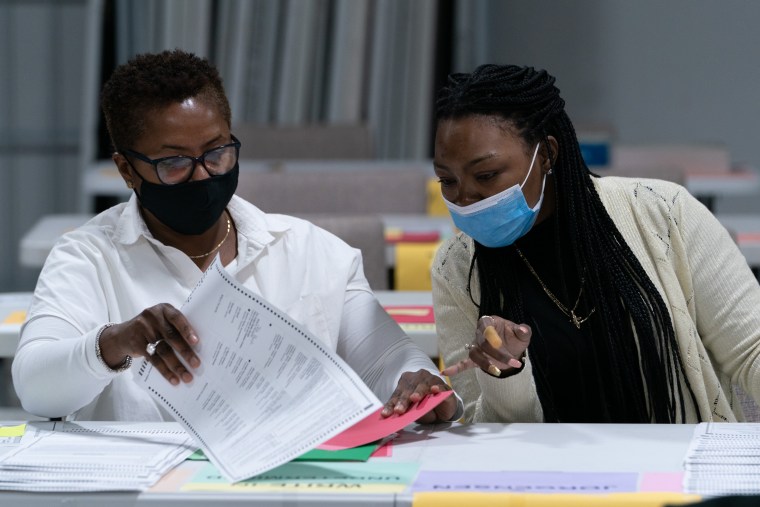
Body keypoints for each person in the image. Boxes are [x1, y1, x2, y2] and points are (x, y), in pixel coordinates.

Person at [13, 49, 460, 423]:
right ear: (127, 169)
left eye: (217, 152)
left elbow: (389, 359)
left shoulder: (312, 252)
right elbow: (36, 388)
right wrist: (113, 343)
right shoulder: (89, 257)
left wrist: (416, 381)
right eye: (174, 163)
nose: (202, 174)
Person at [432, 63, 760, 423]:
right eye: (447, 181)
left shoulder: (665, 213)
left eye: (486, 175)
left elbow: (751, 351)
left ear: (546, 155)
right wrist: (504, 376)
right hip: (544, 477)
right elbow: (481, 427)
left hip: (673, 468)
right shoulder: (457, 267)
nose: (465, 198)